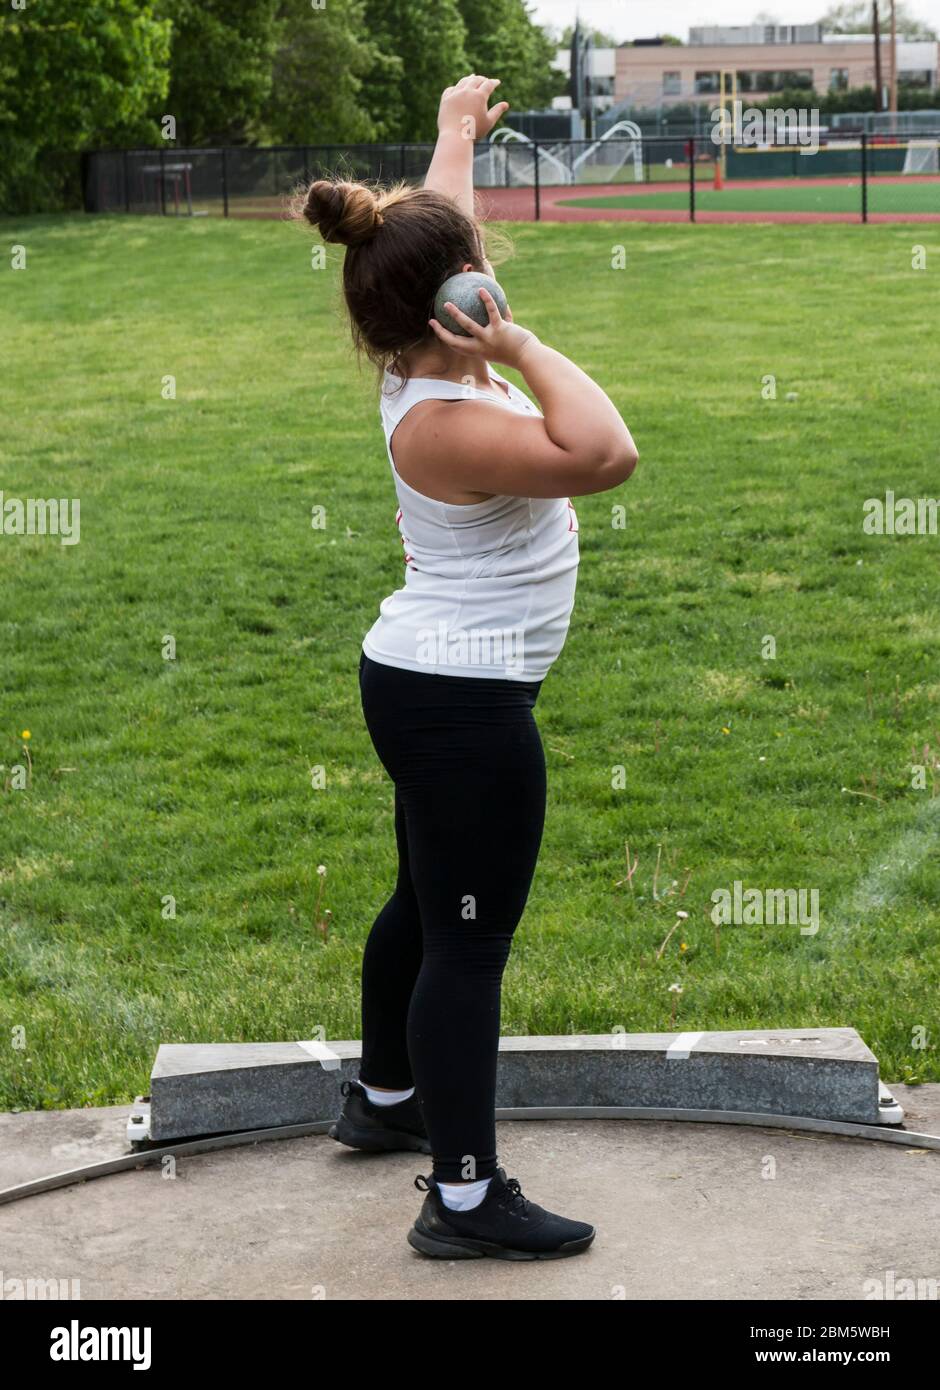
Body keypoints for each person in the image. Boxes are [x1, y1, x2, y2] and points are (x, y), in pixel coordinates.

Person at [300, 75, 638, 1260]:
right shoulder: (451, 417)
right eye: (473, 273)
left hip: (425, 681)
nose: (487, 274)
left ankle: (385, 1100)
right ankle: (460, 1197)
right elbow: (603, 450)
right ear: (453, 301)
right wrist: (524, 341)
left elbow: (432, 225)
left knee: (422, 897)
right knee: (465, 941)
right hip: (464, 706)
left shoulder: (414, 355)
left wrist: (454, 135)